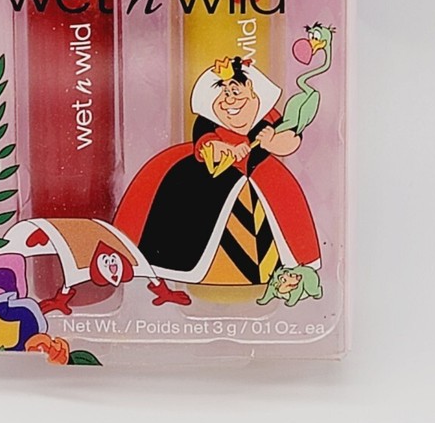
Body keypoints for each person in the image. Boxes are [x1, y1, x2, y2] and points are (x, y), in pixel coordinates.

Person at [113, 56, 321, 299]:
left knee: (281, 213)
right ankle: (177, 264)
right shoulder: (208, 123)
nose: (230, 99)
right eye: (223, 94)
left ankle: (275, 273)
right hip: (212, 180)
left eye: (235, 91)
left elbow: (291, 139)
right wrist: (225, 149)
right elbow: (206, 145)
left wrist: (272, 141)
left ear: (252, 90)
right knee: (187, 203)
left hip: (261, 177)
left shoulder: (269, 119)